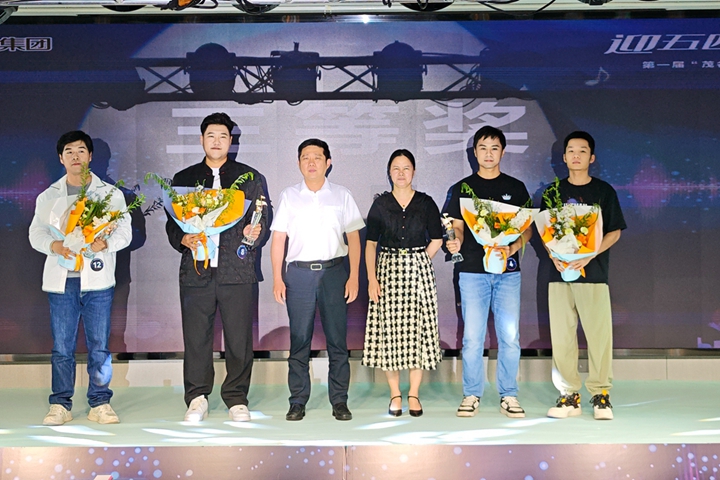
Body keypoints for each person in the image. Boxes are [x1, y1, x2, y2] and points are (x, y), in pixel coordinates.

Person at [165, 112, 267, 422]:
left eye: (223, 136)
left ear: (231, 141)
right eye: (211, 136)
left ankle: (236, 397)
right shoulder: (184, 179)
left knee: (239, 338)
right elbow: (172, 224)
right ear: (202, 140)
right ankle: (197, 397)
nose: (217, 141)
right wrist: (183, 238)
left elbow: (262, 217)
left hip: (237, 270)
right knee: (196, 338)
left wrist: (255, 232)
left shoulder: (249, 178)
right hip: (197, 270)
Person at [29, 130, 131, 425]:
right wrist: (54, 245)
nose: (76, 156)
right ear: (61, 158)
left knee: (99, 345)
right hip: (63, 282)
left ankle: (100, 402)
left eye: (81, 151)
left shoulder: (110, 194)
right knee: (62, 346)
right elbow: (36, 233)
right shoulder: (48, 196)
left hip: (97, 281)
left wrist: (106, 244)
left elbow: (124, 232)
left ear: (90, 156)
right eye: (69, 152)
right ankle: (60, 404)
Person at [270, 138, 364, 422]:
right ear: (299, 163)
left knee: (337, 341)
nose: (311, 162)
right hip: (298, 275)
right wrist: (277, 278)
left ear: (328, 162)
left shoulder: (342, 195)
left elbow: (354, 238)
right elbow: (278, 239)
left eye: (317, 157)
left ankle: (339, 401)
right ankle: (297, 401)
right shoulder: (289, 195)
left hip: (334, 273)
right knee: (299, 341)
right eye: (305, 157)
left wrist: (353, 276)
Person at [444, 126, 532, 419]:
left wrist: (513, 247)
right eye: (483, 148)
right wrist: (455, 240)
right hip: (472, 271)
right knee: (473, 336)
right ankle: (471, 393)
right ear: (475, 152)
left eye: (494, 148)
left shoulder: (515, 187)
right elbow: (456, 226)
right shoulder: (463, 188)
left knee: (510, 336)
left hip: (508, 272)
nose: (489, 153)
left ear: (502, 152)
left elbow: (528, 227)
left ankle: (509, 394)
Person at [544, 131, 626, 421]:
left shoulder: (604, 191)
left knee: (599, 337)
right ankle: (568, 395)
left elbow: (614, 231)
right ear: (564, 157)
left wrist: (591, 255)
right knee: (562, 338)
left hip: (593, 274)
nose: (576, 155)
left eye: (582, 151)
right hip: (560, 276)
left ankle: (601, 394)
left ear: (591, 158)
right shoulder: (552, 192)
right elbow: (544, 231)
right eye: (571, 150)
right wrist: (554, 255)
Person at [361, 149, 443, 417]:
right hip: (387, 270)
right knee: (391, 335)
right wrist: (372, 278)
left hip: (419, 271)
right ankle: (395, 394)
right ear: (389, 172)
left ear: (414, 172)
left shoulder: (426, 202)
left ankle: (414, 394)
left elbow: (437, 239)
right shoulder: (381, 204)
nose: (401, 173)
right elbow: (370, 244)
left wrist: (420, 261)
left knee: (418, 333)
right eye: (396, 168)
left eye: (406, 168)